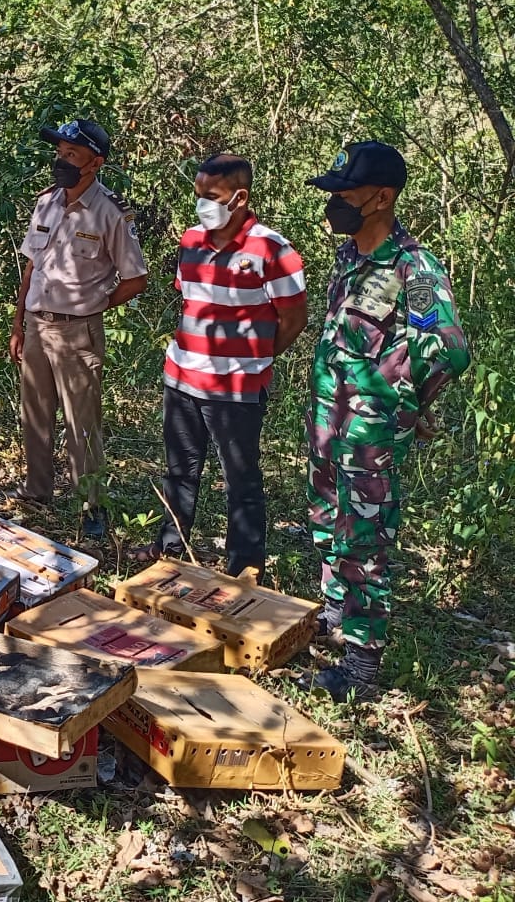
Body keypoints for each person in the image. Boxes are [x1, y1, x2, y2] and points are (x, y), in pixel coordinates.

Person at [304, 141, 469, 702]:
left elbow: (446, 347)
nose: (337, 201)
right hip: (330, 421)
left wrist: (404, 404)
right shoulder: (351, 256)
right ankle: (333, 617)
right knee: (328, 522)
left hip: (368, 434)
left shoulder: (413, 268)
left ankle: (361, 669)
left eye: (346, 192)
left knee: (363, 538)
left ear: (382, 197)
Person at [145, 154, 307, 578]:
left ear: (240, 197)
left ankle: (245, 570)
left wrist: (255, 359)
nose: (202, 204)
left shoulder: (273, 250)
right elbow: (191, 301)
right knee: (180, 470)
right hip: (181, 378)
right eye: (198, 195)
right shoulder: (191, 241)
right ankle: (170, 552)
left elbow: (293, 318)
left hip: (236, 389)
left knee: (241, 481)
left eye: (211, 196)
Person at [9, 118, 147, 538]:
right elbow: (32, 265)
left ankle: (91, 504)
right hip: (37, 325)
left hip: (78, 331)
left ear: (95, 163)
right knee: (35, 413)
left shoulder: (110, 213)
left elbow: (136, 278)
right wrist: (18, 322)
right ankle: (37, 491)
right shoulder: (47, 202)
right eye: (60, 153)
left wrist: (95, 305)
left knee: (81, 423)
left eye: (72, 155)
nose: (61, 161)